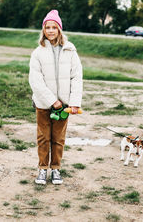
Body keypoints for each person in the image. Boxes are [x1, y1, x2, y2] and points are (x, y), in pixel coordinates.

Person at [29, 10, 83, 185]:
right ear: (43, 30)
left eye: (54, 27)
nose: (50, 31)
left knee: (58, 139)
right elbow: (35, 80)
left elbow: (77, 77)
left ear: (59, 29)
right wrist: (52, 101)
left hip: (65, 106)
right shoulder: (38, 53)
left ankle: (56, 169)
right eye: (47, 27)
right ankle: (43, 170)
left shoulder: (70, 50)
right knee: (43, 137)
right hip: (44, 104)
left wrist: (74, 103)